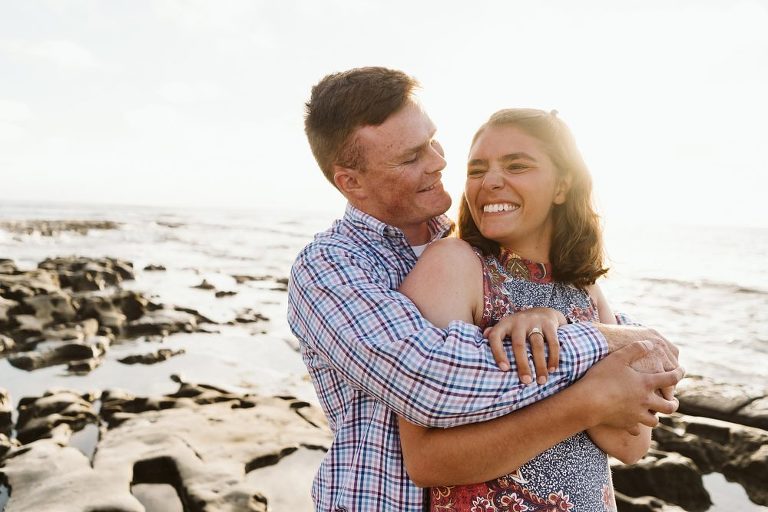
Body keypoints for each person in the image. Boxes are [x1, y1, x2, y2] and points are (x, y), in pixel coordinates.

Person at [287, 66, 683, 512]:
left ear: (563, 184)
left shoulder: (488, 255)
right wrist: (601, 359)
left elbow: (632, 435)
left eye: (433, 140)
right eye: (411, 156)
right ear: (351, 181)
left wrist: (577, 329)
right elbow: (436, 382)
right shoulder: (334, 267)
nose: (439, 161)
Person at [397, 108, 651, 511]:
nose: (491, 181)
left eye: (517, 165)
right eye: (477, 169)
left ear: (562, 186)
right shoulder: (455, 262)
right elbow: (426, 461)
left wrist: (561, 325)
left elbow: (632, 444)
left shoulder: (583, 288)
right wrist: (588, 399)